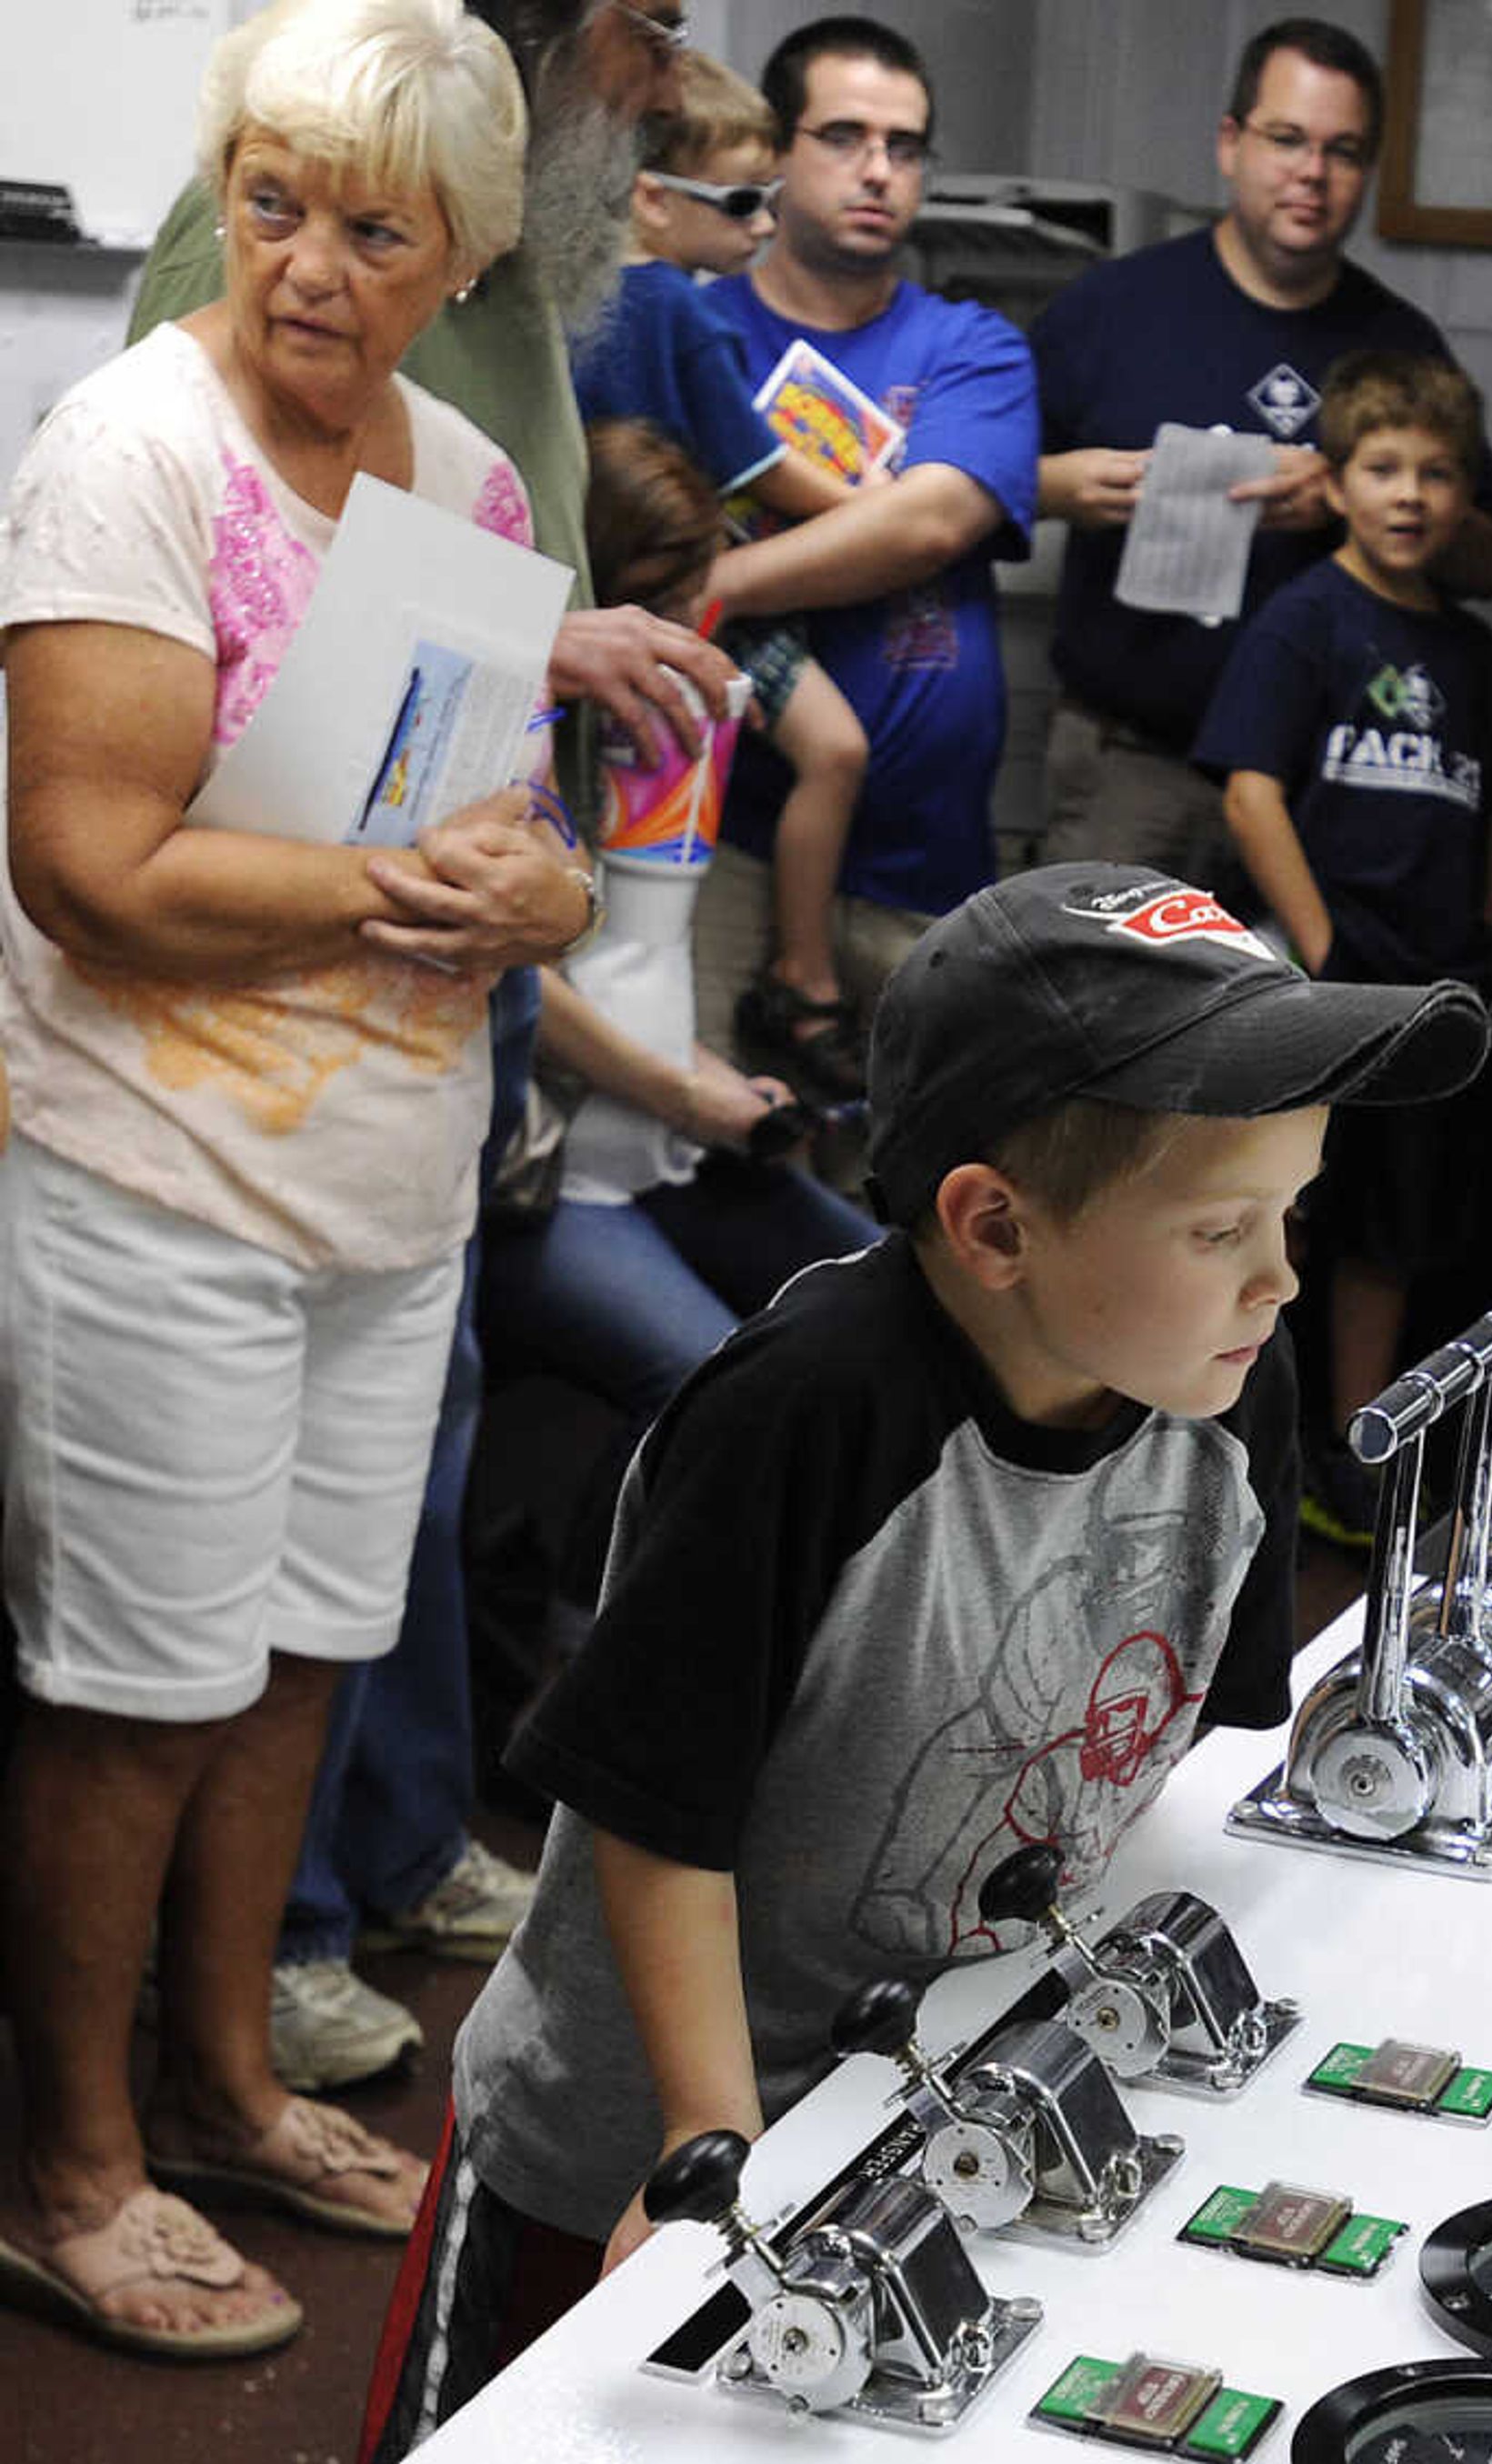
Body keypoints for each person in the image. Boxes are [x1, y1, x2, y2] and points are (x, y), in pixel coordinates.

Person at [362, 866, 1491, 2452]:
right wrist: (714, 2154)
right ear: (993, 1225)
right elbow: (653, 1813)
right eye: (1223, 1227)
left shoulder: (1230, 1383)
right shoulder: (803, 1415)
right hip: (648, 2153)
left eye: (1293, 1215)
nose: (1280, 1276)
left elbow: (1166, 1759)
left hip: (938, 2102)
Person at [0, 0, 600, 2359]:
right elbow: (88, 865)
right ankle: (68, 2163)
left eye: (373, 224)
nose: (310, 263)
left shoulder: (467, 480)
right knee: (138, 1684)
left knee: (300, 1664)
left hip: (386, 1169)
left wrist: (541, 892)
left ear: (455, 253)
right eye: (273, 201)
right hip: (156, 1168)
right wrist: (390, 894)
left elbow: (501, 809)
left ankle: (227, 2076)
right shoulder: (127, 450)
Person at [131, 0, 746, 2107]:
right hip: (247, 1004)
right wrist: (538, 642)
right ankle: (260, 1952)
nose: (665, 82)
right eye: (648, 33)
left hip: (437, 938)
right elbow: (230, 592)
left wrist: (541, 827)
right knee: (218, 1565)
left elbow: (484, 558)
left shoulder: (519, 298)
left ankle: (382, 1857)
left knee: (412, 1459)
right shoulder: (263, 261)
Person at [479, 420, 882, 1588]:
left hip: (667, 1137)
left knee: (883, 1305)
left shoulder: (692, 695)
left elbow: (640, 959)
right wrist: (684, 1092)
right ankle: (580, 1650)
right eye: (669, 597)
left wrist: (705, 1080)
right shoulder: (528, 719)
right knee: (706, 1377)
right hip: (551, 1168)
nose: (696, 628)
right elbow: (533, 977)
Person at [1031, 15, 1492, 902]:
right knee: (1097, 1027)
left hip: (1328, 787)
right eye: (1287, 139)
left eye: (1343, 151)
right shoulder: (1111, 308)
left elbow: (1489, 559)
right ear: (1230, 144)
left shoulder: (1401, 343)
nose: (1311, 174)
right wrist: (1061, 487)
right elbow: (960, 495)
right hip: (1134, 768)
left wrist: (1350, 502)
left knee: (1293, 1037)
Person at [1196, 352, 1492, 1536]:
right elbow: (1251, 796)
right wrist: (1323, 951)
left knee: (1392, 1226)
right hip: (1324, 983)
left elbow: (1482, 819)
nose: (1411, 495)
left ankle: (1357, 1450)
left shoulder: (1473, 650)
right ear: (1335, 483)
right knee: (1283, 1213)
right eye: (1384, 469)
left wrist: (1482, 943)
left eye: (1436, 473)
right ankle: (1247, 1444)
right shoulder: (1306, 617)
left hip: (1429, 986)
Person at [689, 15, 1040, 1052]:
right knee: (705, 1168)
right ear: (776, 155)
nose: (878, 170)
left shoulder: (973, 344)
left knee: (913, 1197)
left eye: (906, 146)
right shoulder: (696, 331)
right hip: (724, 849)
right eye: (843, 137)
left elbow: (927, 525)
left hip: (925, 877)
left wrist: (721, 580)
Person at [571, 47, 880, 1097]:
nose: (762, 225)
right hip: (685, 598)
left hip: (591, 602)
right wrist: (878, 508)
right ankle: (802, 969)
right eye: (743, 200)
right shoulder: (679, 310)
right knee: (834, 750)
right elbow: (763, 468)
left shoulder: (569, 306)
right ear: (652, 198)